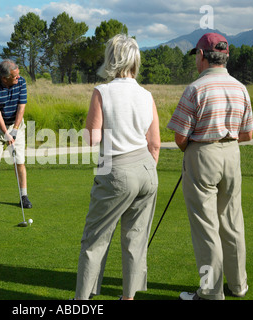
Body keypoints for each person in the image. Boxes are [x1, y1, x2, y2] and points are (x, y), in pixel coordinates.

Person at [167, 33, 253, 300]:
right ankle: (239, 286)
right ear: (225, 56)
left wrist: (198, 147)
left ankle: (210, 292)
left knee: (206, 228)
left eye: (196, 55)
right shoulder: (241, 87)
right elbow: (248, 134)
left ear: (202, 56)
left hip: (203, 155)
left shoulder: (195, 88)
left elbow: (180, 138)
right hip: (232, 154)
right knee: (232, 222)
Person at [75, 34, 161, 300]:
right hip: (147, 170)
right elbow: (155, 143)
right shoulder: (147, 94)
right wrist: (144, 171)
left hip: (117, 169)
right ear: (135, 60)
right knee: (135, 241)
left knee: (95, 239)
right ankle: (128, 297)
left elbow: (93, 138)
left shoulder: (103, 91)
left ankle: (82, 301)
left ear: (111, 59)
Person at [0, 60, 32, 210]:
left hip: (15, 125)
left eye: (18, 75)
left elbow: (21, 108)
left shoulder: (21, 82)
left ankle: (24, 196)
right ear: (4, 78)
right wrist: (6, 133)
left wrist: (14, 130)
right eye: (15, 76)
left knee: (19, 162)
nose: (18, 78)